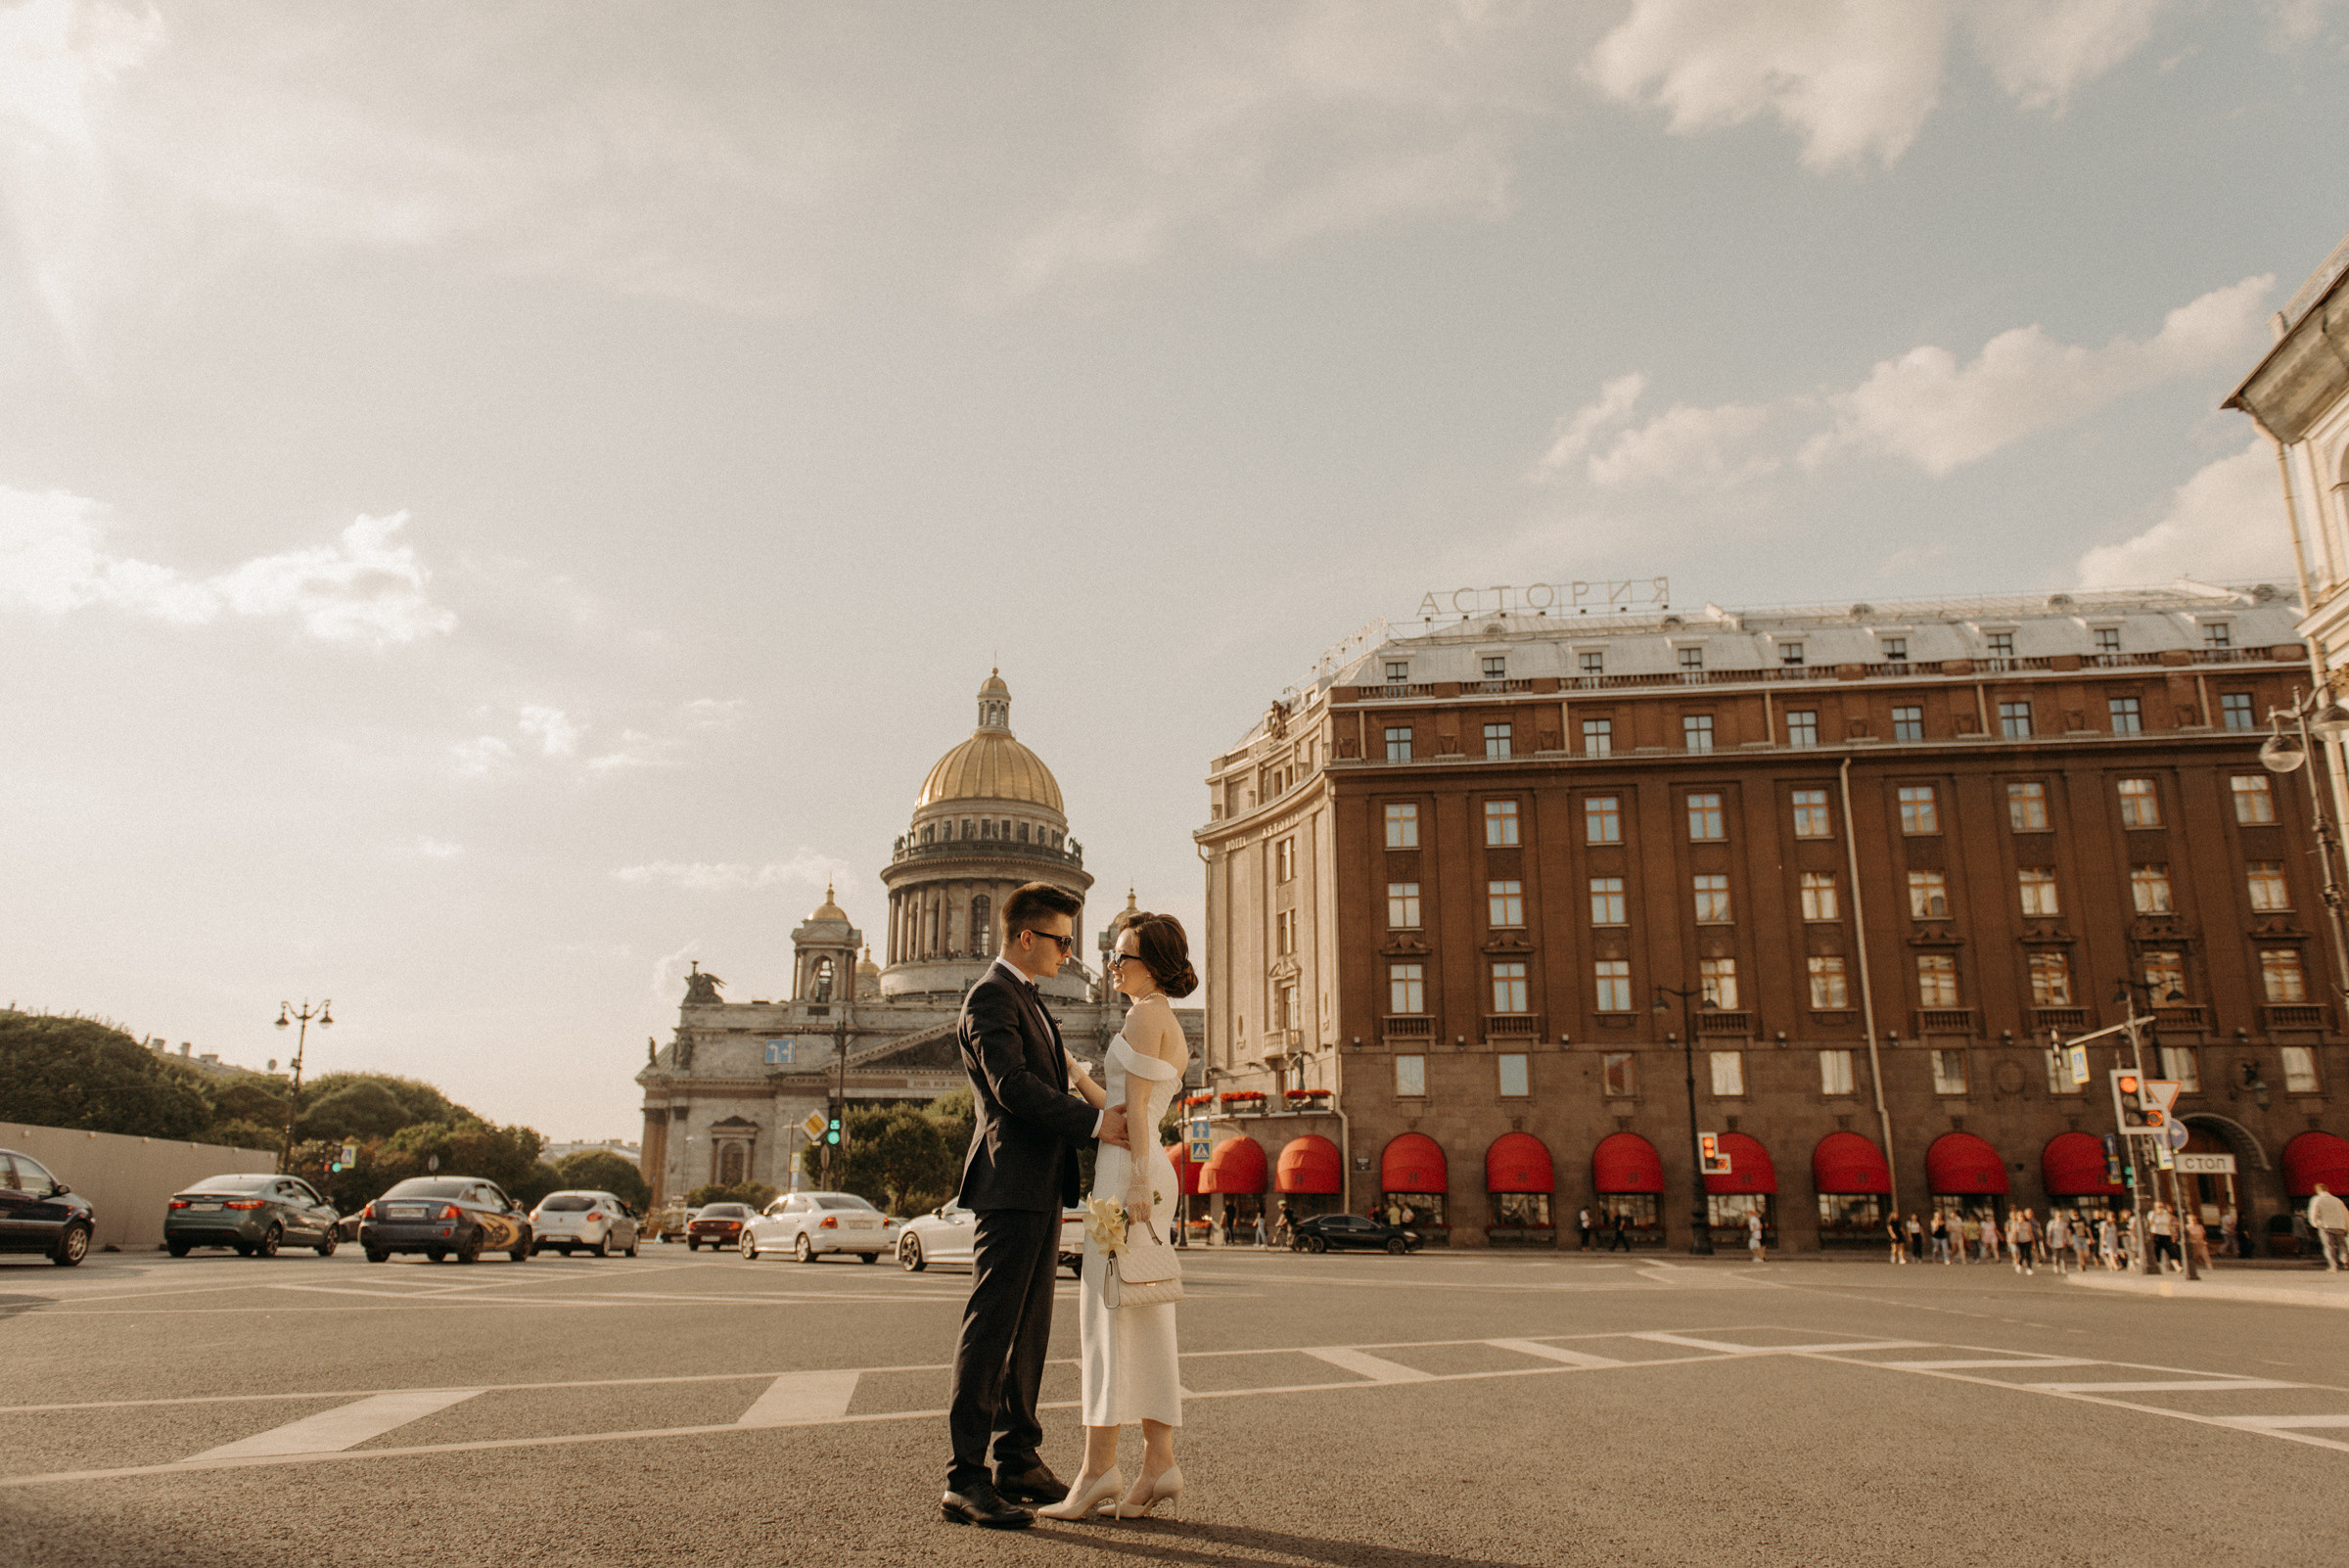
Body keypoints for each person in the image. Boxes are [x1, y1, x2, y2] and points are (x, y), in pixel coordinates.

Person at [943, 883, 1129, 1531]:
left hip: (1039, 1184)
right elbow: (1012, 1087)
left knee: (1030, 1333)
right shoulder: (992, 997)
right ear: (1027, 938)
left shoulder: (1027, 999)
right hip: (1010, 1183)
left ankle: (1017, 1459)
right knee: (991, 1330)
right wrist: (1097, 1125)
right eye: (1061, 940)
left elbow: (1042, 1079)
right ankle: (965, 1478)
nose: (1069, 953)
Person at [1038, 908, 1196, 1525]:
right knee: (1147, 1314)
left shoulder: (1138, 1014)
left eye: (1122, 957)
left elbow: (1126, 1128)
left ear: (1149, 964)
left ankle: (1098, 1470)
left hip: (1124, 1182)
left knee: (1104, 1316)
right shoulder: (1165, 1020)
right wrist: (1079, 1075)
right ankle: (1159, 1462)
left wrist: (1129, 1191)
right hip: (1150, 1171)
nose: (1112, 966)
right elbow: (1129, 1113)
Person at [2308, 1183, 2349, 1270]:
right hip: (2339, 1226)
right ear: (2327, 1189)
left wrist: (2314, 1223)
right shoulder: (2337, 1200)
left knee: (2329, 1247)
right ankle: (2345, 1260)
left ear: (2317, 1190)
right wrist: (2347, 1226)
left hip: (2325, 1226)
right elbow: (2345, 1214)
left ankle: (2334, 1266)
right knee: (2342, 1245)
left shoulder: (2317, 1199)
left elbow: (2313, 1212)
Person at [2045, 1210, 2070, 1275]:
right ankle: (2056, 1265)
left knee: (2063, 1255)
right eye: (2059, 1216)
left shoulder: (2064, 1223)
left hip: (2062, 1240)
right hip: (2054, 1241)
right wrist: (2048, 1239)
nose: (2060, 1217)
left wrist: (2067, 1240)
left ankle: (2064, 1268)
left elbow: (2066, 1232)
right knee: (2056, 1255)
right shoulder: (2052, 1223)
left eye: (2061, 1216)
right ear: (2055, 1216)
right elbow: (2049, 1232)